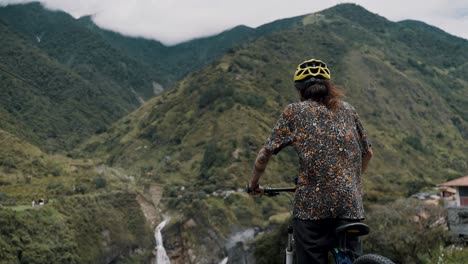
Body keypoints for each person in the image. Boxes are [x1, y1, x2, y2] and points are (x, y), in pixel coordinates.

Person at [247, 59, 373, 264]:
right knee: (353, 259)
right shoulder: (349, 110)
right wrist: (348, 179)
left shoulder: (294, 111)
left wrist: (253, 185)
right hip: (351, 204)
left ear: (300, 91)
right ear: (329, 86)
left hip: (312, 209)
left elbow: (264, 154)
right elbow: (367, 153)